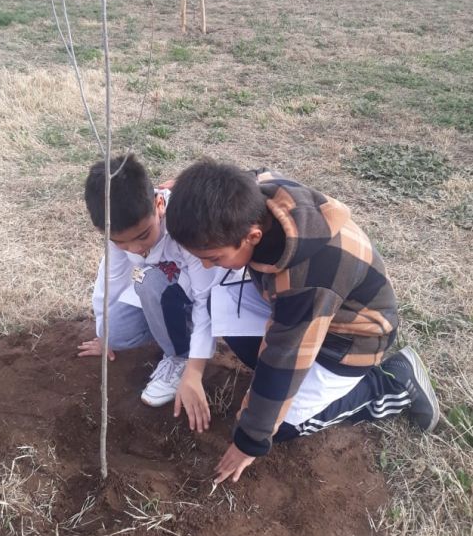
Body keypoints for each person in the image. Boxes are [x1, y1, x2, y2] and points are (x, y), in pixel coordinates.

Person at [165, 159, 440, 484]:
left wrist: (250, 440)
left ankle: (390, 385)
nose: (209, 267)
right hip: (308, 309)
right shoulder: (258, 194)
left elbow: (285, 358)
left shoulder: (308, 279)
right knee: (222, 310)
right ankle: (302, 387)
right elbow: (223, 182)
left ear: (252, 236)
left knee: (279, 427)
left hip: (352, 339)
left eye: (214, 258)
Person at [78, 154, 222, 406]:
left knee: (149, 280)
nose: (134, 248)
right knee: (113, 333)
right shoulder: (119, 233)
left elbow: (205, 297)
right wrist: (103, 334)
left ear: (159, 205)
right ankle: (168, 327)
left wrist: (194, 369)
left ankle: (179, 357)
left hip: (198, 292)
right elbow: (110, 279)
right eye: (120, 242)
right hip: (155, 293)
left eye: (143, 235)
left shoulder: (186, 226)